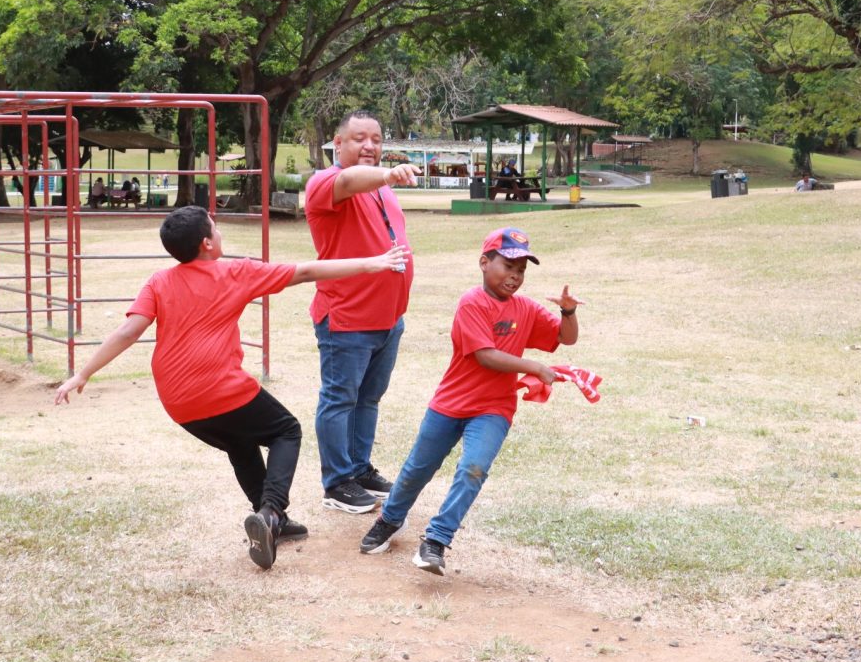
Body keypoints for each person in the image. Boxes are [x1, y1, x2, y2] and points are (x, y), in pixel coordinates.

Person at [52, 206, 407, 570]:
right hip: (219, 387)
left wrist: (83, 374)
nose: (220, 234)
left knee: (240, 442)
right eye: (216, 229)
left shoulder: (159, 280)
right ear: (206, 243)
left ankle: (273, 524)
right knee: (287, 430)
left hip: (177, 401)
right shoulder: (235, 272)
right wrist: (372, 263)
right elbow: (306, 271)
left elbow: (129, 331)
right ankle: (272, 512)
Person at [359, 228, 581, 575]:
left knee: (473, 469)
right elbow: (485, 355)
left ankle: (436, 540)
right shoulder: (472, 303)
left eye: (521, 270)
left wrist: (568, 313)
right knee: (418, 468)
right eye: (508, 266)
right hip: (450, 403)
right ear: (484, 263)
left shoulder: (525, 308)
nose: (515, 276)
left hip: (494, 408)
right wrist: (534, 367)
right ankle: (390, 519)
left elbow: (566, 339)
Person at [304, 110, 420, 513]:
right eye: (359, 138)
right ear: (338, 144)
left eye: (376, 139)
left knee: (368, 399)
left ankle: (358, 467)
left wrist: (384, 179)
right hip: (347, 318)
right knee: (339, 399)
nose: (369, 146)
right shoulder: (325, 183)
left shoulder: (381, 189)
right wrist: (387, 174)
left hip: (387, 319)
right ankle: (337, 482)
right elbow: (349, 180)